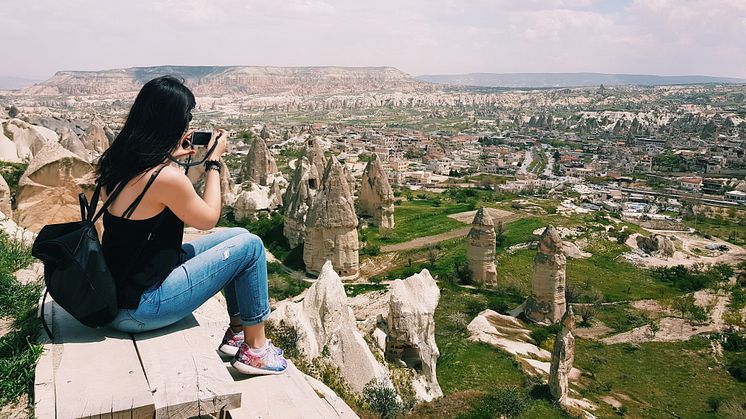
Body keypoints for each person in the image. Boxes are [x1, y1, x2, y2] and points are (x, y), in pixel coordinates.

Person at [97, 75, 286, 375]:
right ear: (169, 123)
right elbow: (209, 217)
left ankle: (237, 333)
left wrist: (171, 156)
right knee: (251, 247)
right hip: (142, 307)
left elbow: (152, 203)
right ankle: (256, 351)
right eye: (185, 120)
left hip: (120, 293)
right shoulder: (163, 177)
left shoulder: (117, 162)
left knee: (238, 234)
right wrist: (212, 162)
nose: (187, 128)